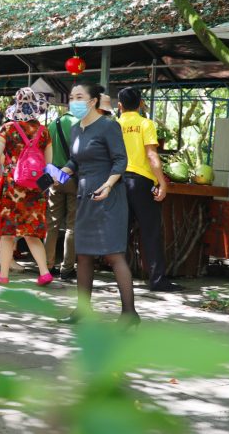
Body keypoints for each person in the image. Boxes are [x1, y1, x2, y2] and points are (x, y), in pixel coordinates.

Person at [57, 82, 138, 329]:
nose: (74, 101)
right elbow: (75, 160)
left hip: (108, 196)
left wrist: (108, 185)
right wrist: (61, 173)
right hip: (85, 196)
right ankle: (83, 309)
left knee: (114, 255)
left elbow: (120, 160)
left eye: (79, 97)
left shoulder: (109, 125)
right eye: (71, 97)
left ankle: (129, 314)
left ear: (93, 101)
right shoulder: (75, 128)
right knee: (83, 254)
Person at [117, 86, 183, 292]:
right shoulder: (146, 124)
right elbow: (151, 155)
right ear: (141, 104)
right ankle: (157, 280)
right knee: (151, 233)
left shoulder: (114, 125)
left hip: (118, 183)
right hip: (142, 184)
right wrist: (162, 182)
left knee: (120, 234)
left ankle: (121, 280)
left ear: (119, 106)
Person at [0, 88, 54, 286]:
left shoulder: (8, 129)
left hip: (13, 187)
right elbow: (49, 165)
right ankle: (44, 272)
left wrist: (4, 159)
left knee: (8, 233)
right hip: (36, 188)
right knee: (31, 232)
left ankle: (3, 275)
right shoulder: (44, 131)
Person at [45, 108, 79, 280]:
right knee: (72, 225)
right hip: (72, 177)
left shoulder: (52, 124)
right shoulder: (80, 124)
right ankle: (67, 268)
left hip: (55, 178)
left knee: (52, 224)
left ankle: (46, 265)